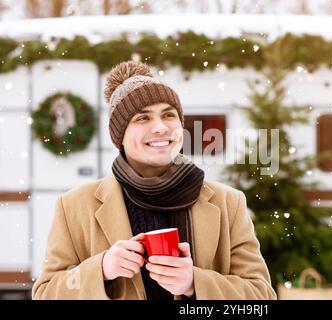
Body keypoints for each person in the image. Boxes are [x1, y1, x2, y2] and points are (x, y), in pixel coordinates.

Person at [32, 61, 277, 300]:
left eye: (168, 115)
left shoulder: (228, 202)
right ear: (120, 136)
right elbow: (45, 293)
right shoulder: (75, 205)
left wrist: (195, 283)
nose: (160, 127)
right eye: (142, 118)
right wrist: (101, 270)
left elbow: (261, 295)